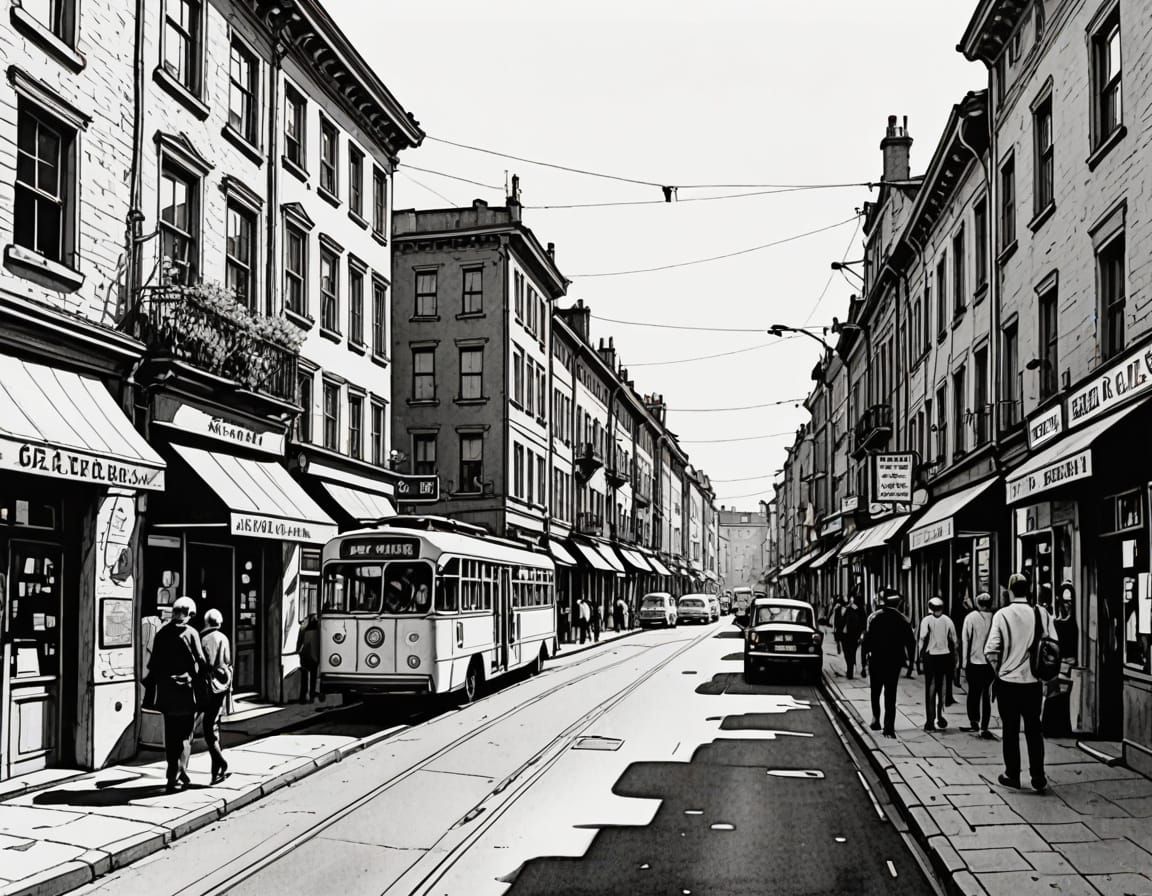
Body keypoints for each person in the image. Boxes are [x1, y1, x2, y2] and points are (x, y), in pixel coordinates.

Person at [985, 572, 1058, 794]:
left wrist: (999, 670)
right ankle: (1038, 776)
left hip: (1008, 682)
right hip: (1033, 681)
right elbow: (1052, 645)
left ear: (1009, 590)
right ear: (1029, 590)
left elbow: (991, 649)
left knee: (1010, 729)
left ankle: (1012, 774)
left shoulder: (1001, 615)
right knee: (1034, 729)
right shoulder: (1042, 613)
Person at [144, 596, 207, 793]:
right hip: (186, 692)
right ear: (189, 614)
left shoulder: (161, 634)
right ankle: (179, 772)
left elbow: (153, 665)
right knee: (185, 736)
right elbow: (201, 662)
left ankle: (174, 772)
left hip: (166, 693)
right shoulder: (191, 633)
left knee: (171, 736)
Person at [861, 588, 915, 738]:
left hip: (876, 660)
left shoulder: (873, 617)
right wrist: (911, 663)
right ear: (897, 604)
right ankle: (889, 727)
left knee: (875, 691)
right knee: (891, 694)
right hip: (894, 662)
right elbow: (911, 643)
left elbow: (866, 641)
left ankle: (875, 718)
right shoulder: (903, 620)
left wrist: (863, 661)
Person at [199, 609, 232, 785]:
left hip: (208, 687)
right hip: (221, 686)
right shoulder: (223, 637)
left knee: (208, 727)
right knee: (213, 725)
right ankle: (217, 768)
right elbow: (227, 660)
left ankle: (220, 763)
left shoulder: (204, 639)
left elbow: (206, 664)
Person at [919, 596, 958, 731]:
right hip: (945, 657)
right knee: (941, 687)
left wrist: (918, 656)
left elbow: (922, 638)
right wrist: (956, 658)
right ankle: (939, 715)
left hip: (931, 657)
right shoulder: (948, 620)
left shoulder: (926, 620)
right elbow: (954, 640)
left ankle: (930, 721)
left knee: (931, 687)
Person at [961, 592, 996, 738]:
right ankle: (985, 725)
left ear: (977, 603)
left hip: (974, 661)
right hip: (990, 663)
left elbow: (965, 640)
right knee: (986, 694)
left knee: (973, 693)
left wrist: (964, 660)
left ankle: (974, 721)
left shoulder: (971, 618)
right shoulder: (995, 617)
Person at [296, 613, 321, 703]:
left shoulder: (303, 629)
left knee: (304, 678)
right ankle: (312, 696)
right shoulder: (318, 630)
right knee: (313, 677)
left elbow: (299, 643)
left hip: (305, 655)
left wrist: (298, 652)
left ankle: (303, 697)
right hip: (314, 656)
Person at [840, 598, 864, 679]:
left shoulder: (858, 610)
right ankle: (850, 669)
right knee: (848, 653)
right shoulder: (847, 609)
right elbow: (842, 621)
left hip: (852, 635)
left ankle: (850, 671)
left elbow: (862, 624)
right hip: (846, 635)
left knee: (850, 653)